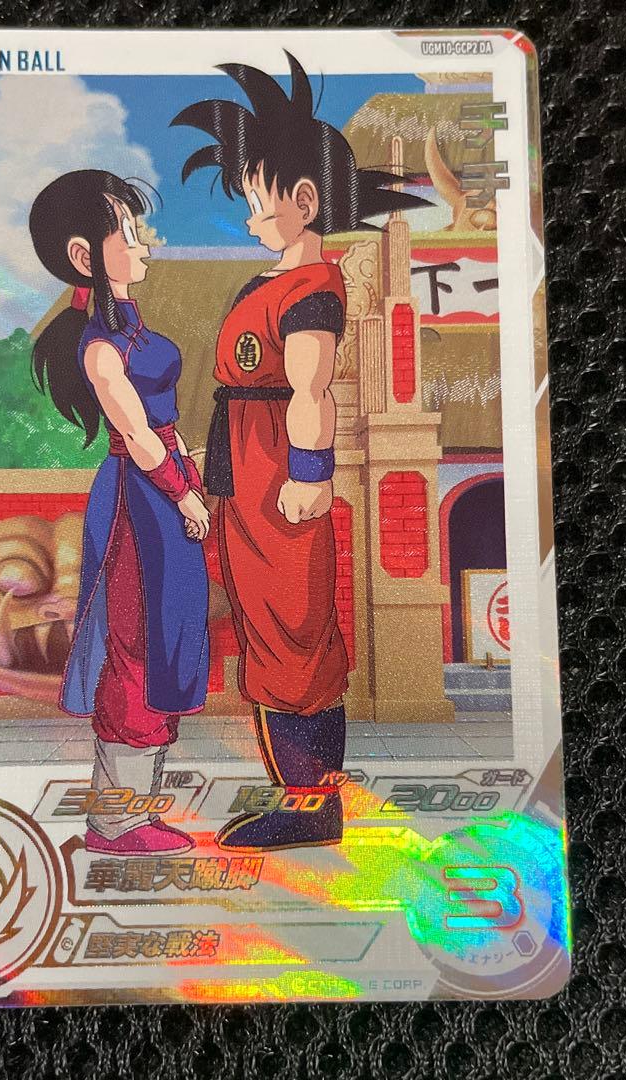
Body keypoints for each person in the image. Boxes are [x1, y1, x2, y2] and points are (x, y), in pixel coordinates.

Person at [172, 53, 431, 851]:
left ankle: (312, 802)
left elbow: (310, 388)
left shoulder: (312, 288)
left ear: (305, 201)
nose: (251, 216)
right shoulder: (270, 281)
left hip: (280, 475)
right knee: (268, 628)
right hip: (245, 468)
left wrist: (311, 474)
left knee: (293, 631)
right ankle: (303, 792)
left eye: (259, 201)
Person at [29, 170, 211, 857]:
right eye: (129, 232)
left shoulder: (130, 330)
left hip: (162, 485)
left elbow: (158, 427)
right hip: (141, 500)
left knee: (167, 639)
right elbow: (135, 434)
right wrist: (181, 490)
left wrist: (183, 470)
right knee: (135, 644)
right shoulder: (101, 346)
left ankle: (134, 812)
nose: (144, 244)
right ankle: (115, 821)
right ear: (83, 255)